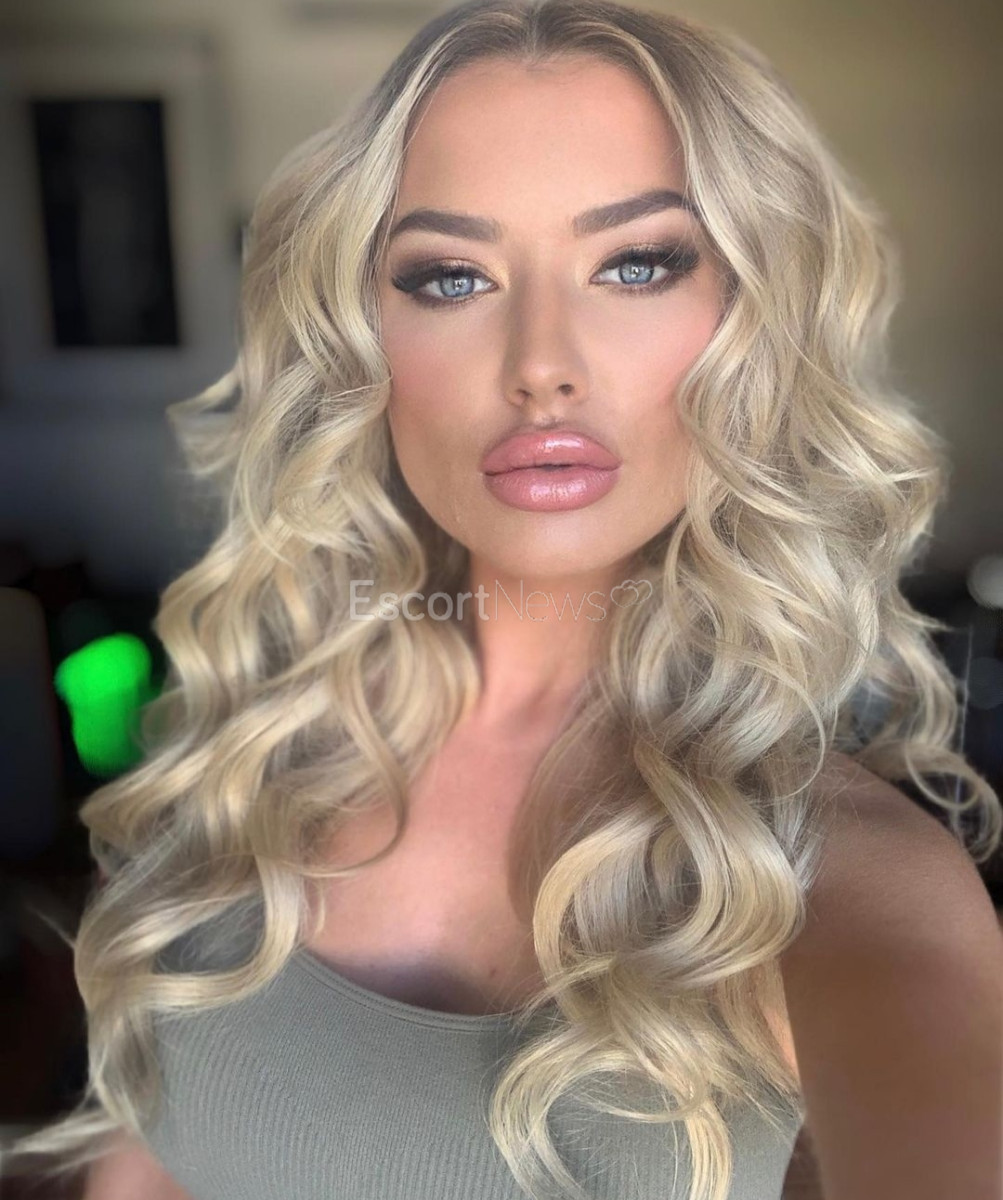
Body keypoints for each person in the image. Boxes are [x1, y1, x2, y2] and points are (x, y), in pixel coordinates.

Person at [5, 2, 1002, 1199]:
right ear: (363, 339)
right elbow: (148, 1165)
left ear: (754, 319)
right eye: (451, 276)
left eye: (636, 264)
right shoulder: (245, 748)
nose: (540, 364)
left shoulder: (833, 874)